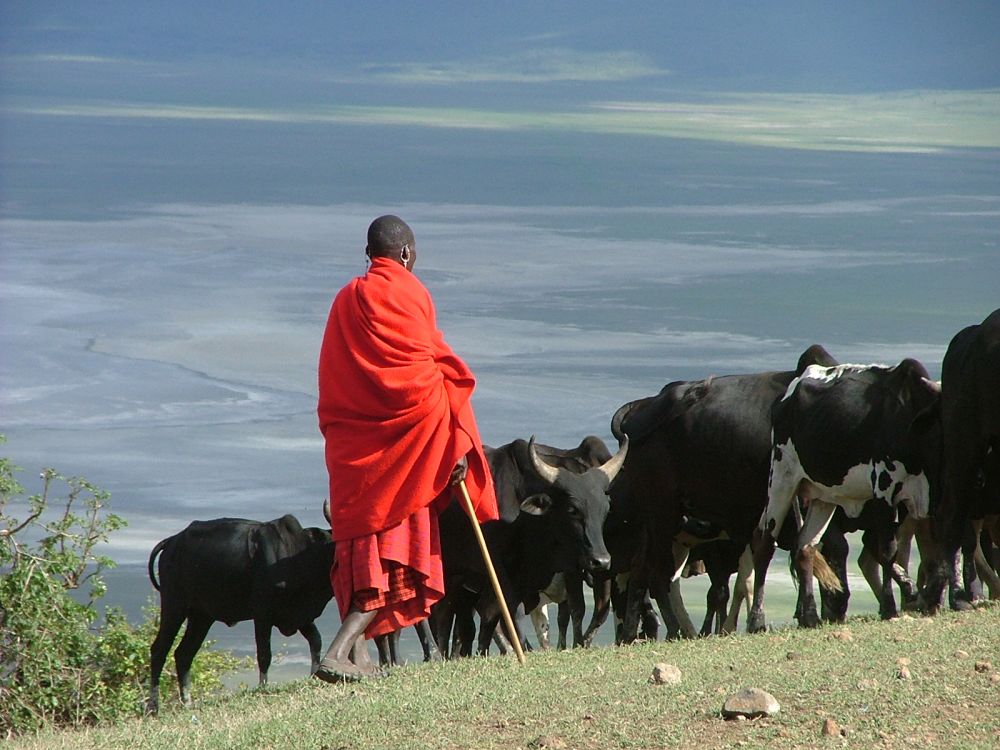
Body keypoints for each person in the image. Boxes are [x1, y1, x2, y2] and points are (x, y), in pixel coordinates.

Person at [314, 214, 498, 682]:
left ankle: (357, 657)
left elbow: (337, 378)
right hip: (405, 458)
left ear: (369, 255)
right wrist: (452, 447)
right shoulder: (410, 292)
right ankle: (336, 653)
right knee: (392, 554)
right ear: (405, 254)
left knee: (363, 552)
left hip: (354, 455)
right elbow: (429, 381)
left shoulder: (344, 300)